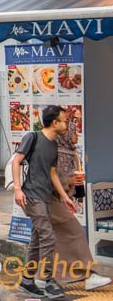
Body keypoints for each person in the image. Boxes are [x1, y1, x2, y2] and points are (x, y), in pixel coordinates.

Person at [38, 107, 112, 291]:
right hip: (46, 198)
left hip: (49, 199)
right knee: (75, 231)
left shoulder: (70, 152)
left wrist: (72, 185)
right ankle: (90, 274)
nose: (76, 134)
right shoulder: (56, 150)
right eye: (73, 130)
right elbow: (50, 176)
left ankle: (43, 276)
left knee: (50, 239)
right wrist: (69, 181)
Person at [12, 105, 80, 300]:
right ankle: (47, 280)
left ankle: (27, 280)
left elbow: (52, 173)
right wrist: (17, 188)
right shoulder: (32, 138)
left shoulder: (53, 145)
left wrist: (65, 197)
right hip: (31, 195)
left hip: (45, 196)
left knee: (36, 240)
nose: (67, 123)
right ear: (54, 122)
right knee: (48, 237)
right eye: (64, 120)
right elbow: (17, 161)